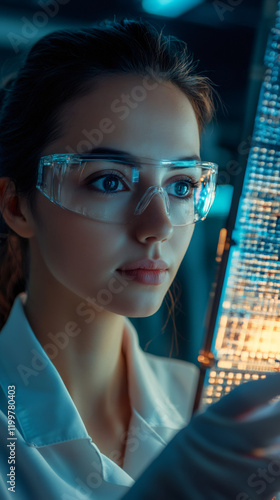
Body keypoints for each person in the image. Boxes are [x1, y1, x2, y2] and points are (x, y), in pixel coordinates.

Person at [0, 18, 280, 500]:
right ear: (17, 205)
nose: (158, 225)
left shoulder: (210, 409)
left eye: (182, 186)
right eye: (109, 180)